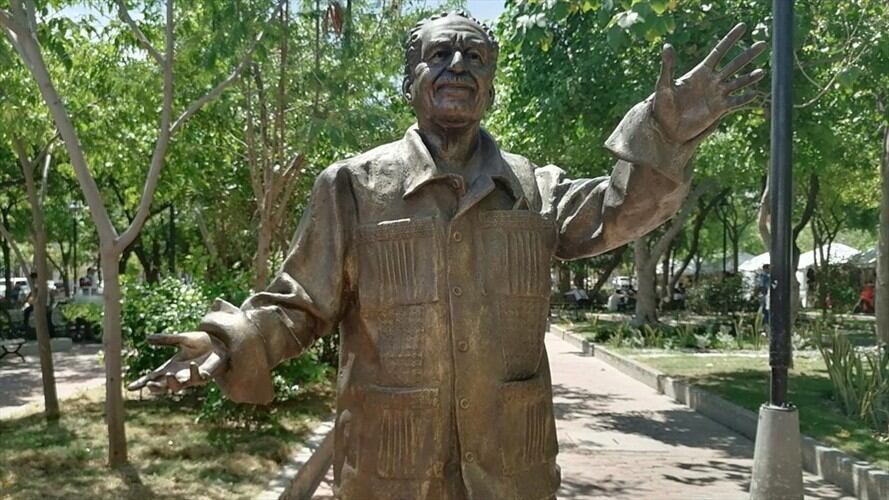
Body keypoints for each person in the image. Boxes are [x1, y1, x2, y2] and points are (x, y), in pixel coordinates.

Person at [129, 12, 765, 499]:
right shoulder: (352, 186)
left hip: (510, 464)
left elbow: (621, 212)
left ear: (489, 83)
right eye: (441, 54)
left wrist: (665, 134)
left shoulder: (533, 189)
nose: (459, 65)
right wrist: (238, 341)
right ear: (412, 80)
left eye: (476, 57)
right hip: (389, 466)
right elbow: (302, 305)